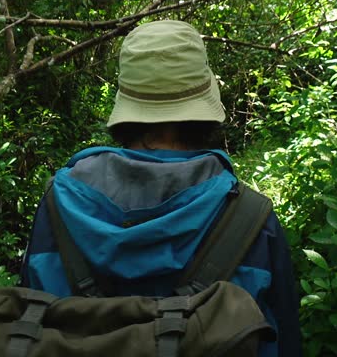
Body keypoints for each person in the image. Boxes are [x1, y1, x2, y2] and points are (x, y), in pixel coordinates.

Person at [20, 20, 302, 357]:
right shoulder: (251, 218)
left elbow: (31, 318)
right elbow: (284, 341)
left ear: (126, 106)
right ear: (204, 106)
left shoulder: (58, 204)